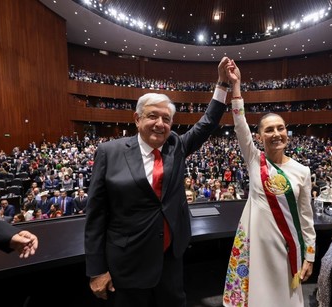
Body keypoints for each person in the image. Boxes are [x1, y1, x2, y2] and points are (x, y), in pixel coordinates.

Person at [84, 57, 231, 307]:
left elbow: (207, 123)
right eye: (153, 116)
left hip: (170, 258)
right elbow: (96, 215)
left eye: (166, 119)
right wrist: (97, 270)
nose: (160, 124)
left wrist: (222, 83)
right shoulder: (110, 152)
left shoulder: (176, 146)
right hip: (127, 262)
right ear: (137, 119)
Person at [222, 60, 316, 306]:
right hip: (257, 245)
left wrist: (310, 255)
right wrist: (236, 86)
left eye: (281, 128)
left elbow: (306, 217)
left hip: (287, 247)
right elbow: (240, 124)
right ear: (260, 136)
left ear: (287, 132)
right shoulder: (254, 159)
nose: (276, 134)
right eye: (269, 130)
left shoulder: (302, 171)